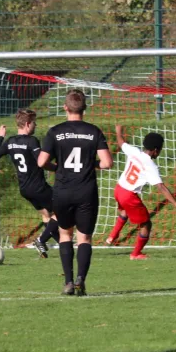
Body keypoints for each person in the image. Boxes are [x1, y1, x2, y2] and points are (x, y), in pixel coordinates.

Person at [38, 89, 113, 296]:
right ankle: (81, 280)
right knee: (84, 238)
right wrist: (90, 165)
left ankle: (68, 282)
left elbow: (42, 162)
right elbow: (107, 163)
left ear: (65, 107)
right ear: (85, 109)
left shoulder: (55, 132)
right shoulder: (94, 131)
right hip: (86, 191)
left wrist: (58, 168)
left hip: (63, 191)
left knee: (64, 234)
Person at [110, 125, 176, 260]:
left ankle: (112, 236)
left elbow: (121, 142)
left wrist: (118, 131)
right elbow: (161, 187)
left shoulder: (134, 151)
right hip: (129, 195)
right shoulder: (150, 166)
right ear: (155, 151)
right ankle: (135, 254)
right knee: (146, 224)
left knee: (124, 212)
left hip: (119, 189)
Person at [0, 108, 59, 259]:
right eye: (34, 122)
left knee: (47, 215)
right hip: (39, 187)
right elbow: (42, 162)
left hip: (25, 189)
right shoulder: (31, 141)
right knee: (62, 210)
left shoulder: (10, 141)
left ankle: (59, 245)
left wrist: (0, 137)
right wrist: (57, 168)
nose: (36, 125)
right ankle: (41, 240)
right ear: (27, 124)